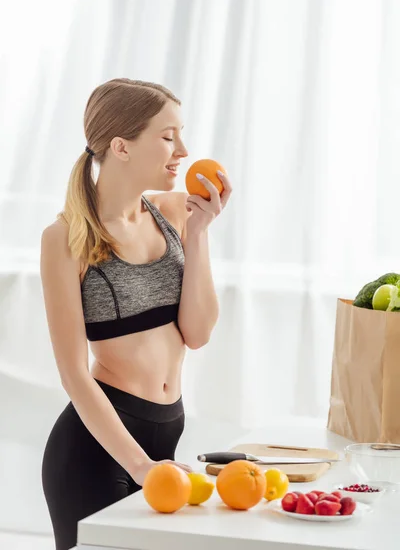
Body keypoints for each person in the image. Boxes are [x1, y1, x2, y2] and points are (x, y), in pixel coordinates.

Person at [39, 78, 232, 550]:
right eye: (168, 136)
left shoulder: (175, 212)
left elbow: (198, 332)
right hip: (95, 448)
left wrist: (201, 231)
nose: (182, 149)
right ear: (121, 146)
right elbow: (73, 374)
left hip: (167, 432)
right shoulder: (65, 239)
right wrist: (140, 465)